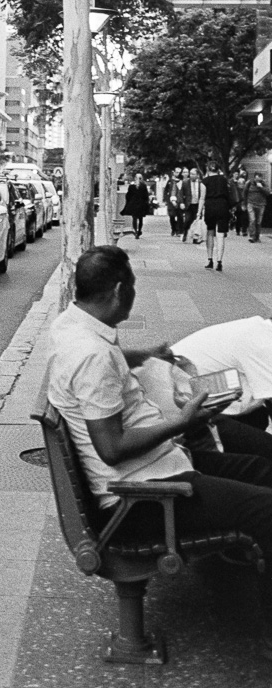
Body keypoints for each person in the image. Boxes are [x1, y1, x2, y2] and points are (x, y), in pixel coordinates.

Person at [47, 246, 272, 660]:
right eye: (131, 286)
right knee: (266, 511)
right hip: (143, 499)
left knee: (260, 467)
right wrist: (184, 421)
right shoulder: (92, 355)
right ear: (118, 291)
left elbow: (109, 366)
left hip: (160, 468)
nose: (133, 293)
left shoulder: (74, 326)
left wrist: (144, 355)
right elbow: (111, 448)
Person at [173, 316, 272, 430]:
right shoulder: (264, 344)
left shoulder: (257, 328)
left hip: (191, 399)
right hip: (186, 413)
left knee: (258, 418)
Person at [198, 159, 231, 271]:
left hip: (210, 207)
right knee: (221, 234)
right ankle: (220, 261)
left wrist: (199, 213)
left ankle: (210, 259)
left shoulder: (205, 181)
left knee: (210, 232)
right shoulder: (224, 180)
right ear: (218, 169)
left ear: (208, 169)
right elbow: (228, 194)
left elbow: (202, 198)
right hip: (223, 206)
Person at [120, 170, 151, 238]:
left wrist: (129, 202)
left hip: (133, 204)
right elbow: (146, 195)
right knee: (140, 219)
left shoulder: (131, 186)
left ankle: (135, 231)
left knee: (134, 218)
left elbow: (128, 195)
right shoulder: (143, 186)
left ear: (135, 178)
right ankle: (139, 230)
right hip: (141, 204)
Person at [178, 168, 202, 243]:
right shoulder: (185, 182)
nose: (191, 175)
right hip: (189, 205)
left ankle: (195, 238)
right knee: (188, 220)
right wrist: (181, 202)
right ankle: (185, 232)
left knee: (197, 222)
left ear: (197, 175)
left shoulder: (201, 183)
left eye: (193, 174)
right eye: (190, 174)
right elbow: (180, 193)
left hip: (198, 205)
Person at [246, 173, 271, 244]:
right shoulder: (249, 183)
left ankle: (257, 237)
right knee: (252, 219)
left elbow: (268, 193)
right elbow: (245, 192)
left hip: (261, 205)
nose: (258, 181)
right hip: (251, 203)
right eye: (256, 179)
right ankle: (252, 236)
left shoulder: (264, 184)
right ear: (254, 178)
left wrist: (261, 187)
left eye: (259, 179)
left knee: (258, 222)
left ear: (261, 179)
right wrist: (244, 203)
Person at [163, 167, 182, 236]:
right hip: (170, 201)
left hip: (179, 200)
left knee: (179, 216)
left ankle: (178, 230)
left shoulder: (181, 181)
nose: (178, 174)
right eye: (176, 172)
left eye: (179, 172)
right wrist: (165, 199)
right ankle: (173, 228)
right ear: (174, 172)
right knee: (172, 216)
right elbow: (166, 191)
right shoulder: (170, 181)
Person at [234, 173, 250, 237]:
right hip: (238, 205)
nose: (241, 184)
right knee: (238, 218)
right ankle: (238, 230)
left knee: (244, 218)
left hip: (244, 204)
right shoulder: (236, 190)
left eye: (242, 183)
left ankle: (244, 231)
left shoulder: (245, 190)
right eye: (239, 183)